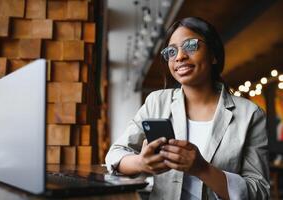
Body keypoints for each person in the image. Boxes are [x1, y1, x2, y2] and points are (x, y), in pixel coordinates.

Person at [105, 17, 270, 200]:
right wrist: (142, 163)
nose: (180, 56)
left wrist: (202, 169)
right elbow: (115, 154)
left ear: (214, 55)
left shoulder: (250, 114)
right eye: (171, 51)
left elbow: (259, 192)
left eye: (191, 45)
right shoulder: (156, 102)